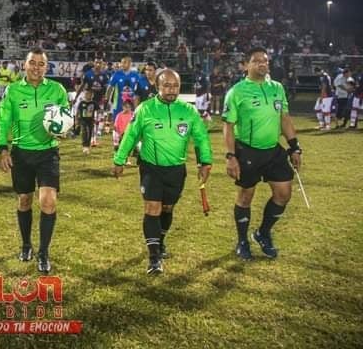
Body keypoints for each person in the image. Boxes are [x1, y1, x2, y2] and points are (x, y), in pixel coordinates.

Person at [112, 69, 212, 275]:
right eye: (166, 85)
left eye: (175, 86)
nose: (171, 90)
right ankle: (154, 257)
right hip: (151, 168)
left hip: (176, 169)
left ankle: (160, 241)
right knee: (152, 208)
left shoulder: (188, 111)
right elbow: (130, 135)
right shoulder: (145, 109)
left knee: (167, 208)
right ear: (157, 87)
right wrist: (119, 160)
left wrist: (205, 162)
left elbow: (201, 137)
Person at [222, 47, 302, 261]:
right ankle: (242, 241)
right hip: (247, 151)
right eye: (256, 60)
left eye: (265, 60)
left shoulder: (277, 88)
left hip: (273, 150)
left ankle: (262, 233)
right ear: (246, 65)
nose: (262, 64)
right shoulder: (237, 92)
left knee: (284, 194)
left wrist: (294, 146)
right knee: (245, 196)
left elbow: (284, 118)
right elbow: (228, 126)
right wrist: (231, 156)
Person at [0, 47, 69, 274]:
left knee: (48, 201)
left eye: (41, 64)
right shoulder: (13, 91)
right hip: (21, 153)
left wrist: (63, 130)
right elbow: (2, 121)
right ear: (24, 65)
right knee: (24, 200)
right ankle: (26, 244)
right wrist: (2, 149)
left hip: (48, 153)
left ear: (47, 67)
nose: (36, 67)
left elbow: (66, 119)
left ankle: (43, 253)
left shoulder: (57, 90)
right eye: (32, 63)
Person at [76, 88, 97, 155]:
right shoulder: (81, 103)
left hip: (91, 120)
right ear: (84, 95)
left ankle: (88, 145)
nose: (89, 95)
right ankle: (84, 146)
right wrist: (76, 119)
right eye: (87, 94)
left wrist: (97, 118)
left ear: (92, 95)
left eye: (90, 94)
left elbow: (98, 110)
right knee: (84, 132)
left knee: (90, 132)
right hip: (83, 120)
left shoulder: (94, 103)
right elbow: (78, 111)